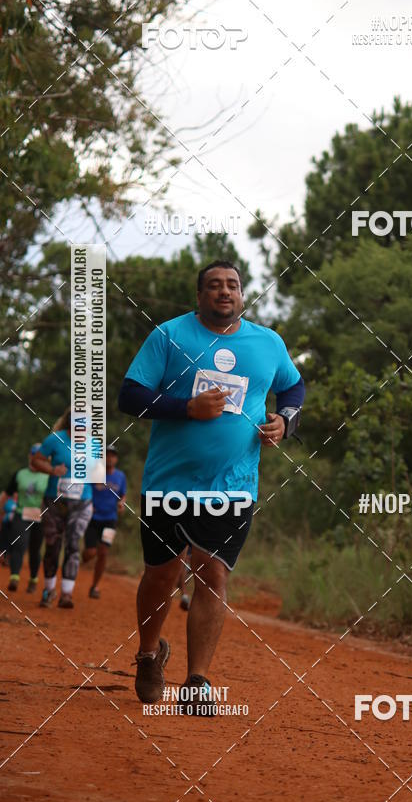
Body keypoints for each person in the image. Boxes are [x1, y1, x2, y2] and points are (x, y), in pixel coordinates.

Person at [118, 260, 305, 709]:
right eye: (215, 286)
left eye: (233, 285)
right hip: (169, 483)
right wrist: (186, 408)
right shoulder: (169, 335)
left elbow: (293, 389)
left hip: (234, 483)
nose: (225, 292)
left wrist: (285, 421)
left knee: (212, 571)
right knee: (162, 574)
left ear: (243, 294)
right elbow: (130, 396)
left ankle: (197, 681)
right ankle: (148, 653)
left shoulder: (267, 342)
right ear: (200, 296)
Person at [32, 407, 94, 608]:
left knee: (73, 544)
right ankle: (49, 589)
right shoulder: (55, 440)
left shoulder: (94, 444)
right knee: (53, 544)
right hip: (54, 500)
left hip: (82, 501)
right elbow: (36, 461)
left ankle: (67, 594)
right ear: (71, 422)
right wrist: (52, 469)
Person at [0, 444, 49, 593]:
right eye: (34, 455)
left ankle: (33, 579)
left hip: (40, 517)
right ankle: (14, 577)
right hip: (21, 514)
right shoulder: (20, 474)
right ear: (30, 456)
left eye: (39, 456)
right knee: (19, 545)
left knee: (35, 549)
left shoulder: (48, 477)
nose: (36, 458)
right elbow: (7, 494)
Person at [82, 444, 127, 598]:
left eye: (113, 455)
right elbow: (85, 490)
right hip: (92, 519)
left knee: (103, 552)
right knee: (90, 552)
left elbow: (123, 495)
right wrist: (88, 504)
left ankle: (95, 586)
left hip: (110, 520)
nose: (110, 458)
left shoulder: (120, 476)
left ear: (116, 459)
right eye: (107, 455)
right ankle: (82, 558)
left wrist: (122, 503)